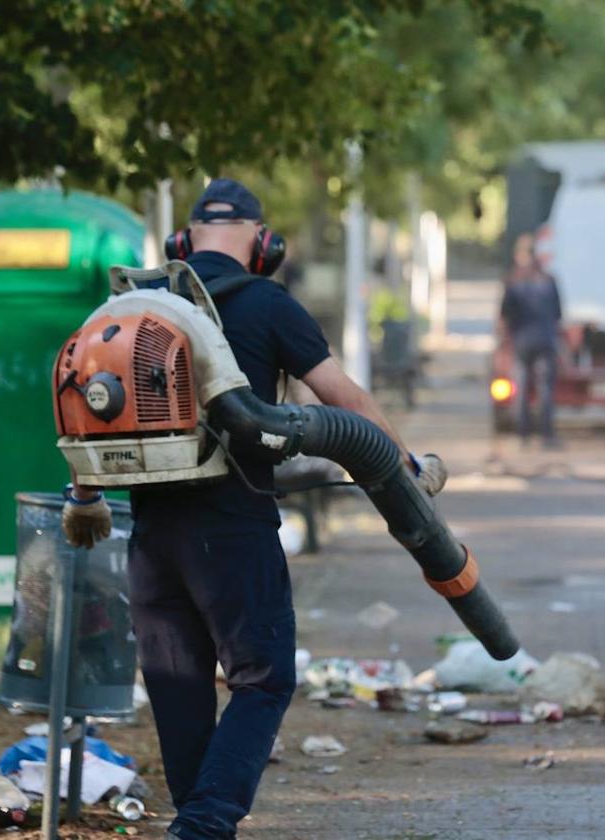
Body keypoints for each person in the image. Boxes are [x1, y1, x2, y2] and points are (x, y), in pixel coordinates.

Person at [61, 179, 443, 840]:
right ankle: (203, 826)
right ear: (263, 244)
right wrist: (406, 467)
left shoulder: (135, 308)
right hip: (231, 526)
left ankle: (199, 825)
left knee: (181, 695)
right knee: (263, 680)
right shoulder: (268, 303)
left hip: (151, 537)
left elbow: (86, 405)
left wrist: (86, 497)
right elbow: (344, 401)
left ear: (182, 242)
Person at [498, 231, 563, 446]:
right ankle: (547, 435)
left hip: (522, 342)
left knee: (522, 388)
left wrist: (503, 344)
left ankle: (523, 435)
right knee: (545, 390)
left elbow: (505, 315)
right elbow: (557, 314)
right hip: (546, 340)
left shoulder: (513, 282)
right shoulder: (549, 280)